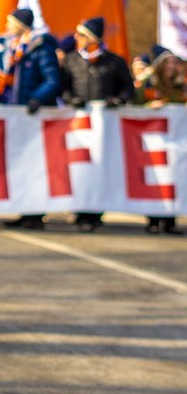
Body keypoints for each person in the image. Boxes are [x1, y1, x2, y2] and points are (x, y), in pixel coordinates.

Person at [60, 16, 135, 232]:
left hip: (105, 125)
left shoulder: (114, 61)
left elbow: (127, 88)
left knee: (101, 165)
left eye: (81, 34)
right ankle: (81, 210)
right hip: (79, 124)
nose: (77, 38)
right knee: (81, 167)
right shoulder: (72, 60)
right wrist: (71, 99)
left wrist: (118, 100)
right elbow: (63, 88)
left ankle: (95, 213)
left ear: (92, 37)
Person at [1, 7, 61, 230]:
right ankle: (25, 210)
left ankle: (35, 213)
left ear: (21, 25)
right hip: (19, 115)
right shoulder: (16, 50)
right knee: (21, 165)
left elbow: (52, 80)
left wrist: (36, 99)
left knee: (36, 165)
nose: (6, 26)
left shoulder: (40, 48)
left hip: (35, 116)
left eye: (10, 22)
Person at [134, 46, 184, 234]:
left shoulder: (179, 84)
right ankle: (154, 219)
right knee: (155, 177)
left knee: (173, 178)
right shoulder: (148, 83)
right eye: (168, 62)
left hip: (174, 140)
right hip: (153, 138)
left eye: (174, 62)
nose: (172, 66)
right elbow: (134, 105)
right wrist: (149, 107)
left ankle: (170, 219)